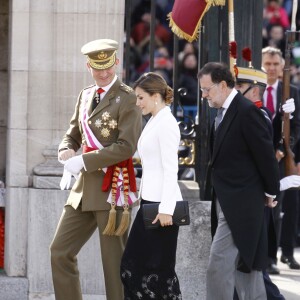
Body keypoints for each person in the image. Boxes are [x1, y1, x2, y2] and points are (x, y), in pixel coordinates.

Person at [50, 39, 142, 300]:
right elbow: (73, 133)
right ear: (88, 66)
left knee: (114, 266)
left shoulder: (128, 98)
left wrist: (84, 161)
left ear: (116, 63)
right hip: (82, 191)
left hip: (112, 189)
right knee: (59, 252)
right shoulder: (85, 94)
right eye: (97, 68)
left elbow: (126, 146)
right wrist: (65, 149)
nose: (103, 73)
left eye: (108, 67)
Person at [200, 62, 280, 300]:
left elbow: (266, 157)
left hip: (242, 203)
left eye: (207, 90)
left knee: (219, 264)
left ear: (223, 85)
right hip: (225, 199)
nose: (203, 96)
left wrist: (271, 192)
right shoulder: (223, 110)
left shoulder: (246, 111)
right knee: (247, 267)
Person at [234, 65, 300, 300]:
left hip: (252, 195)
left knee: (251, 265)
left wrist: (284, 118)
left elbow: (265, 151)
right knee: (246, 264)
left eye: (239, 86)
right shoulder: (248, 113)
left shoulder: (256, 114)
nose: (234, 90)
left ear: (254, 91)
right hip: (244, 195)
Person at [120, 72, 183, 299]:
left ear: (155, 96)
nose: (137, 104)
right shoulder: (156, 120)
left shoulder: (166, 123)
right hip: (151, 203)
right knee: (137, 269)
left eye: (140, 98)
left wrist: (166, 208)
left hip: (162, 208)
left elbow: (170, 169)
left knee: (155, 271)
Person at [262, 46, 300, 274]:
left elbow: (297, 125)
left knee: (283, 206)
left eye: (276, 64)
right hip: (260, 156)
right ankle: (267, 255)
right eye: (268, 63)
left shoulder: (292, 91)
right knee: (267, 207)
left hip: (284, 157)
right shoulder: (255, 89)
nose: (272, 69)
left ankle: (278, 255)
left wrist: (288, 151)